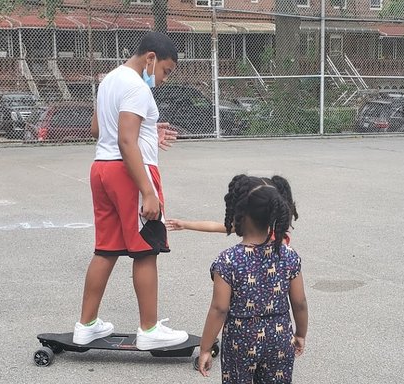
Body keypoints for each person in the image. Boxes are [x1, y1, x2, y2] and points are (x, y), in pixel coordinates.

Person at [72, 31, 188, 350]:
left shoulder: (109, 79)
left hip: (101, 170)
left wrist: (149, 129)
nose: (164, 79)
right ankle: (149, 330)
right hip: (130, 174)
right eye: (166, 70)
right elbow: (126, 140)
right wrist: (147, 191)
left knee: (106, 249)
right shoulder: (138, 86)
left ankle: (87, 325)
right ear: (150, 58)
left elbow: (98, 129)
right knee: (146, 250)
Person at [197, 175, 308, 383]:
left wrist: (206, 347)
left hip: (241, 340)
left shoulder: (228, 260)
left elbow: (219, 309)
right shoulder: (288, 255)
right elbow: (299, 302)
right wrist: (300, 333)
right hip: (280, 337)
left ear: (240, 215)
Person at [165, 175, 298, 244]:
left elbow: (216, 227)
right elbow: (214, 226)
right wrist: (185, 224)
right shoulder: (282, 242)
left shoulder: (231, 260)